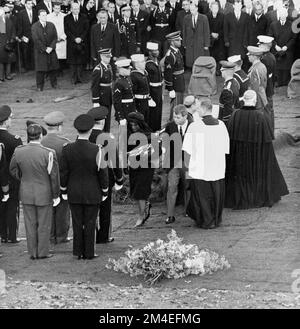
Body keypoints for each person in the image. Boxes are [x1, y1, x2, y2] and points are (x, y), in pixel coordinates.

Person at [225, 90, 289, 209]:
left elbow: (230, 138)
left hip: (240, 157)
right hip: (257, 157)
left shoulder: (235, 115)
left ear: (243, 99)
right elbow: (267, 144)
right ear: (255, 101)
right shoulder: (262, 116)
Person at [60, 114, 109, 260]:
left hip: (73, 191)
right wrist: (105, 190)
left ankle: (78, 252)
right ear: (90, 130)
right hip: (92, 191)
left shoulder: (67, 149)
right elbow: (102, 173)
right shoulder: (97, 149)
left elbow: (64, 172)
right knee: (90, 222)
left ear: (77, 131)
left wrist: (63, 189)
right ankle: (89, 252)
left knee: (76, 223)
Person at [10, 124, 60, 259]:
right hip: (44, 193)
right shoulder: (48, 153)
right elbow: (54, 176)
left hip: (26, 192)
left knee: (29, 224)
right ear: (41, 135)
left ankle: (32, 252)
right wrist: (56, 194)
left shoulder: (19, 151)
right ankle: (42, 252)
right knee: (44, 224)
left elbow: (13, 169)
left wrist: (23, 178)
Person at [183, 98, 229, 229]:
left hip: (200, 168)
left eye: (198, 108)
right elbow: (226, 147)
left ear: (203, 109)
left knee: (202, 196)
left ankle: (205, 220)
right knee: (216, 195)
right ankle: (216, 219)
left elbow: (187, 149)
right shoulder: (221, 125)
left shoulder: (194, 126)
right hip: (217, 166)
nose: (197, 111)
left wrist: (187, 168)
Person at [87, 106, 123, 244]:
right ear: (102, 121)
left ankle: (93, 234)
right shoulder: (108, 138)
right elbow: (115, 162)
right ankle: (104, 236)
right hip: (106, 178)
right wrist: (119, 179)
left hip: (90, 178)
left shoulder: (85, 136)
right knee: (105, 209)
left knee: (92, 209)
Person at [41, 111, 71, 245]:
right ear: (59, 127)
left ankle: (50, 235)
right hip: (60, 182)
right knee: (62, 211)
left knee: (47, 211)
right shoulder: (64, 143)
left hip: (43, 183)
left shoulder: (40, 141)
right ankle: (61, 236)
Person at [162, 104, 192, 224]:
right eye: (174, 117)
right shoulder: (170, 126)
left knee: (188, 186)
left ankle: (189, 210)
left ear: (185, 116)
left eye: (178, 117)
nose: (175, 120)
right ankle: (170, 215)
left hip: (188, 162)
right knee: (172, 187)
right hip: (173, 162)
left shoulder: (193, 126)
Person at [127, 112, 155, 227]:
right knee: (136, 191)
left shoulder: (150, 135)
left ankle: (141, 216)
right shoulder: (128, 135)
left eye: (135, 125)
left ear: (141, 124)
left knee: (140, 192)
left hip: (146, 166)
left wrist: (145, 152)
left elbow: (156, 152)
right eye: (131, 125)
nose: (133, 127)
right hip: (133, 166)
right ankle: (145, 206)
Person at [0, 105, 22, 244]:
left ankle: (2, 234)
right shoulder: (14, 139)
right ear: (6, 121)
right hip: (10, 178)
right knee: (12, 207)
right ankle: (11, 235)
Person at [268, 6, 296, 86]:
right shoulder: (273, 25)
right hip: (277, 51)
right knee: (277, 71)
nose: (283, 16)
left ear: (286, 15)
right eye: (281, 14)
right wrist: (275, 45)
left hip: (287, 51)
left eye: (284, 14)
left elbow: (293, 38)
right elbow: (270, 37)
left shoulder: (291, 25)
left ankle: (284, 85)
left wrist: (286, 47)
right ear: (279, 14)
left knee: (286, 72)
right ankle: (278, 85)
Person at [31, 9, 59, 91]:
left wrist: (51, 47)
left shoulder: (51, 25)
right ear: (39, 16)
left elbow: (55, 37)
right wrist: (45, 48)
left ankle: (54, 84)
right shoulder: (35, 26)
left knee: (53, 68)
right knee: (40, 70)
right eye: (43, 15)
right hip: (40, 51)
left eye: (46, 15)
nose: (45, 17)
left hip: (51, 50)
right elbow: (36, 40)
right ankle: (40, 86)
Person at [64, 2, 89, 84]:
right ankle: (73, 78)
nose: (76, 10)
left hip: (81, 43)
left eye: (78, 8)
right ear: (71, 9)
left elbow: (86, 29)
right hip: (72, 42)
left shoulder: (84, 17)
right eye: (74, 9)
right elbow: (66, 30)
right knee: (72, 62)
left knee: (80, 61)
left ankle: (80, 77)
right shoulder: (66, 18)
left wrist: (81, 38)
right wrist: (74, 39)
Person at [164, 31, 185, 121]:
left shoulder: (177, 51)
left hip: (180, 81)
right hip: (175, 83)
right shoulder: (170, 55)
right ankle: (173, 122)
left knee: (179, 104)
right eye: (178, 40)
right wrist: (170, 88)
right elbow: (168, 73)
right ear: (172, 42)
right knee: (175, 105)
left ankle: (177, 121)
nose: (180, 42)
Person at [91, 48, 113, 132]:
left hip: (108, 96)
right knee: (102, 119)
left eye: (109, 57)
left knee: (108, 118)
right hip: (102, 98)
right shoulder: (98, 69)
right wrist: (95, 101)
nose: (109, 58)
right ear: (102, 57)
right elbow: (95, 86)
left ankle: (107, 133)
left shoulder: (109, 67)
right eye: (107, 57)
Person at [182, 2, 210, 69]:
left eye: (193, 10)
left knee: (200, 61)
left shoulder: (204, 18)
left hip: (200, 43)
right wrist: (184, 43)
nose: (192, 12)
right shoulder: (186, 18)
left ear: (197, 9)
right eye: (191, 10)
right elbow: (184, 31)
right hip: (190, 43)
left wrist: (206, 45)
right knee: (191, 61)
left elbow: (206, 32)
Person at [258, 34, 276, 132]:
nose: (259, 46)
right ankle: (270, 131)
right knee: (269, 110)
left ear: (265, 45)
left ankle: (269, 131)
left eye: (260, 45)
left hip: (265, 89)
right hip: (269, 88)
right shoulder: (270, 56)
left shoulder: (265, 59)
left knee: (267, 110)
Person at [145, 41, 163, 131]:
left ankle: (157, 131)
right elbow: (147, 82)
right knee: (153, 115)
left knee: (159, 113)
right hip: (153, 92)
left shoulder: (156, 62)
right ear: (150, 52)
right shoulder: (148, 65)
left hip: (158, 91)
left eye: (157, 50)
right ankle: (152, 133)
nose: (157, 52)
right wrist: (149, 97)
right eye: (155, 50)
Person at [130, 53, 152, 127]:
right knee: (140, 123)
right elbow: (132, 93)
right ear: (136, 65)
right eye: (142, 62)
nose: (144, 63)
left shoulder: (144, 73)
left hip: (145, 101)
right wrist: (134, 107)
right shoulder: (134, 75)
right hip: (139, 103)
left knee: (147, 121)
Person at [16, 0, 37, 72]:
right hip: (25, 36)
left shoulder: (35, 11)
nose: (30, 5)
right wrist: (21, 36)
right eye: (28, 4)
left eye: (31, 3)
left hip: (34, 35)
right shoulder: (21, 13)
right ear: (25, 4)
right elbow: (19, 26)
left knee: (34, 51)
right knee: (25, 51)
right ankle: (26, 67)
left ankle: (33, 66)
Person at [113, 58, 136, 124]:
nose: (129, 70)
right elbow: (117, 102)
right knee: (124, 133)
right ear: (121, 70)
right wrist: (121, 117)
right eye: (127, 69)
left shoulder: (128, 79)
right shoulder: (119, 83)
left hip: (130, 109)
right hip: (124, 111)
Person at [47, 3, 67, 75]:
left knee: (61, 56)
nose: (57, 10)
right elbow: (48, 29)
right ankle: (53, 71)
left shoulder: (64, 16)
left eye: (59, 8)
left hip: (62, 38)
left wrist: (62, 37)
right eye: (56, 8)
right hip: (53, 39)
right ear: (53, 8)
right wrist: (54, 38)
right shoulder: (48, 16)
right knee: (54, 55)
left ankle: (60, 70)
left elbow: (67, 28)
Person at [247, 45, 268, 112]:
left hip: (256, 99)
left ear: (254, 56)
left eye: (250, 55)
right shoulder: (260, 66)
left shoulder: (256, 68)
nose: (248, 56)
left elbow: (258, 87)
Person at [207, 1, 226, 75]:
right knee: (211, 55)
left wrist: (218, 34)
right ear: (211, 8)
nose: (215, 9)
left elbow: (224, 28)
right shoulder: (207, 16)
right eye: (214, 8)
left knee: (220, 56)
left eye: (217, 8)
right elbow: (206, 27)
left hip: (220, 39)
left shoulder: (222, 16)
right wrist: (211, 33)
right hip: (211, 40)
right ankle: (212, 70)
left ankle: (218, 70)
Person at [0, 5, 16, 82]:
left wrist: (12, 39)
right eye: (5, 12)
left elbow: (13, 31)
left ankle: (8, 75)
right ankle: (1, 77)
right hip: (1, 44)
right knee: (1, 61)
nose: (7, 14)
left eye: (8, 12)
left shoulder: (9, 21)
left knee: (8, 60)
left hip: (9, 43)